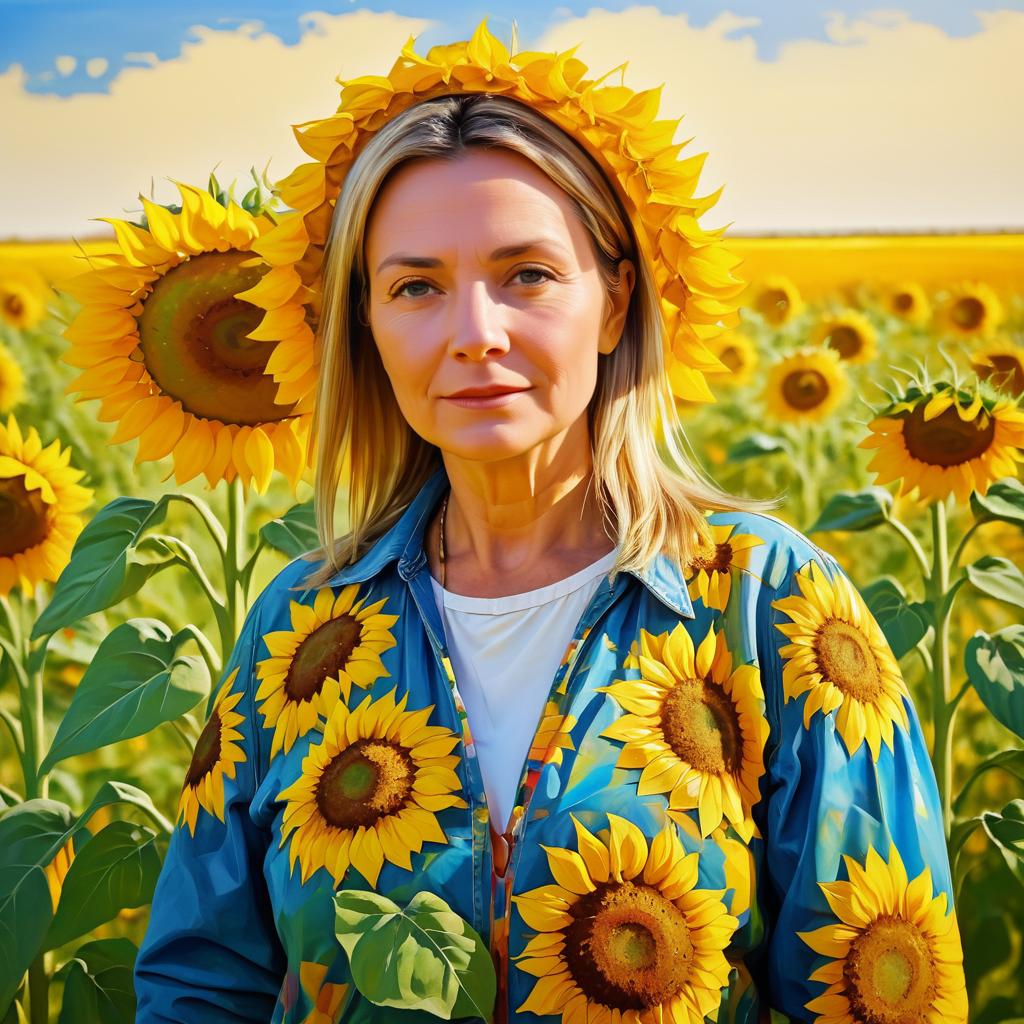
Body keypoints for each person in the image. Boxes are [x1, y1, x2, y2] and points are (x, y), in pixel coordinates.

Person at [134, 19, 968, 1024]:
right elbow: (200, 984)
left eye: (526, 274)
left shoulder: (765, 606)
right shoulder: (300, 630)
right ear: (364, 324)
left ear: (615, 302)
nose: (473, 334)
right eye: (415, 287)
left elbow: (884, 987)